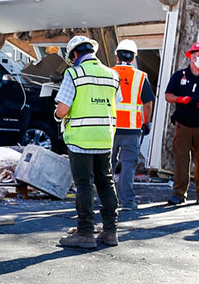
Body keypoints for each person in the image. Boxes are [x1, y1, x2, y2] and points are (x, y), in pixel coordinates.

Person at [56, 35, 120, 248]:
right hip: (105, 138)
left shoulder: (74, 73)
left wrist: (57, 116)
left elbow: (62, 109)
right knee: (106, 181)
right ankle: (110, 231)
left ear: (74, 54)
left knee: (84, 184)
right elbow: (115, 102)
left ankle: (85, 233)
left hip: (80, 139)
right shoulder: (112, 74)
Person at [165, 41, 199, 206]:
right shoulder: (179, 75)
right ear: (192, 56)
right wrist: (180, 99)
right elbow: (168, 95)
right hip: (184, 124)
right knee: (181, 159)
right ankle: (179, 194)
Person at [111, 39, 155, 211]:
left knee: (107, 164)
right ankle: (127, 202)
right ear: (134, 57)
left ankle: (106, 200)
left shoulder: (109, 73)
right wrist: (146, 122)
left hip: (110, 127)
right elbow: (148, 104)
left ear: (117, 56)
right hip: (132, 129)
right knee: (128, 165)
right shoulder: (140, 77)